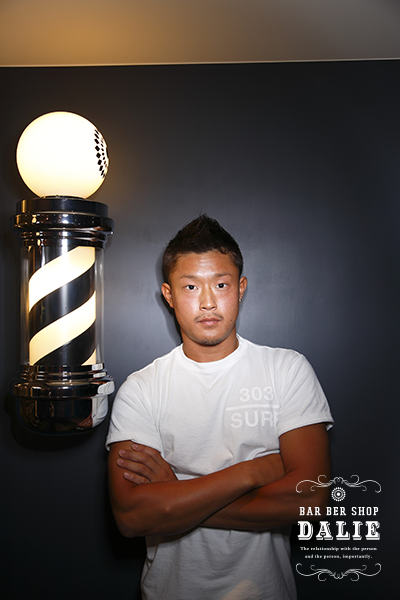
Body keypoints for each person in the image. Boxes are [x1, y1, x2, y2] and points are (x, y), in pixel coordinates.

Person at [106, 215, 333, 600]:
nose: (208, 302)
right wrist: (252, 471)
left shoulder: (286, 370)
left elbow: (312, 499)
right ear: (169, 295)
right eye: (191, 286)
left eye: (222, 284)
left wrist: (176, 496)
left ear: (240, 288)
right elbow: (133, 517)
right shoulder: (141, 389)